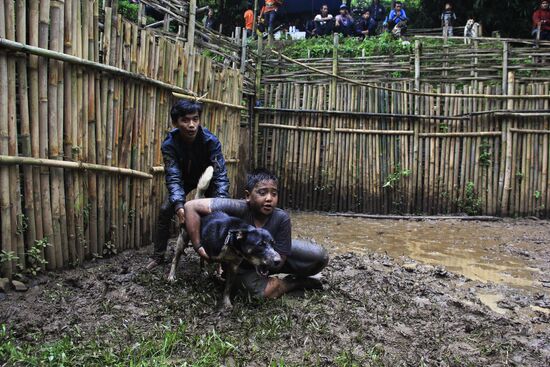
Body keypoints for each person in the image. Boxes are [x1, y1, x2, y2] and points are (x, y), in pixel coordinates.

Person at [184, 169, 329, 299]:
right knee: (262, 293)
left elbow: (280, 259)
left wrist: (266, 259)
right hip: (242, 264)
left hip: (270, 257)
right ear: (248, 196)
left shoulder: (281, 218)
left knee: (319, 257)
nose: (269, 198)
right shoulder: (237, 207)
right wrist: (198, 246)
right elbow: (190, 206)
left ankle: (274, 277)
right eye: (262, 192)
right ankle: (294, 283)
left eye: (274, 193)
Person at [146, 100, 230, 270]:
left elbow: (220, 174)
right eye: (185, 120)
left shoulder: (211, 141)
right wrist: (178, 204)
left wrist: (220, 200)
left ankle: (219, 257)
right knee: (165, 210)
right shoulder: (169, 144)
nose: (192, 125)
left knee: (220, 214)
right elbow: (173, 176)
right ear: (175, 123)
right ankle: (159, 255)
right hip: (184, 180)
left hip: (209, 179)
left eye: (195, 119)